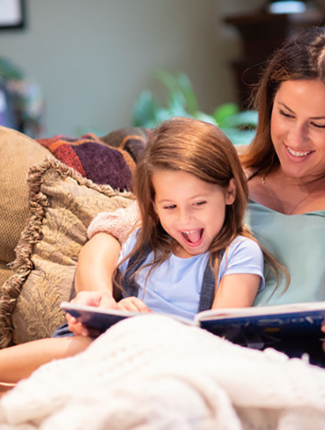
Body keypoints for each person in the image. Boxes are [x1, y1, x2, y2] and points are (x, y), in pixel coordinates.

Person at [69, 26, 325, 392]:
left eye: (319, 124)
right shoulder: (229, 173)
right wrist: (100, 302)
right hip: (208, 363)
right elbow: (110, 232)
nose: (296, 139)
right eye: (286, 114)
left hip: (310, 371)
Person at [0, 117, 270, 383]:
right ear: (152, 204)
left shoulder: (240, 253)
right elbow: (107, 304)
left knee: (94, 350)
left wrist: (148, 326)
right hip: (118, 353)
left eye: (198, 203)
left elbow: (221, 336)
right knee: (85, 344)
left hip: (180, 362)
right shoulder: (141, 243)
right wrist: (119, 310)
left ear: (229, 192)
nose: (185, 220)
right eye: (169, 207)